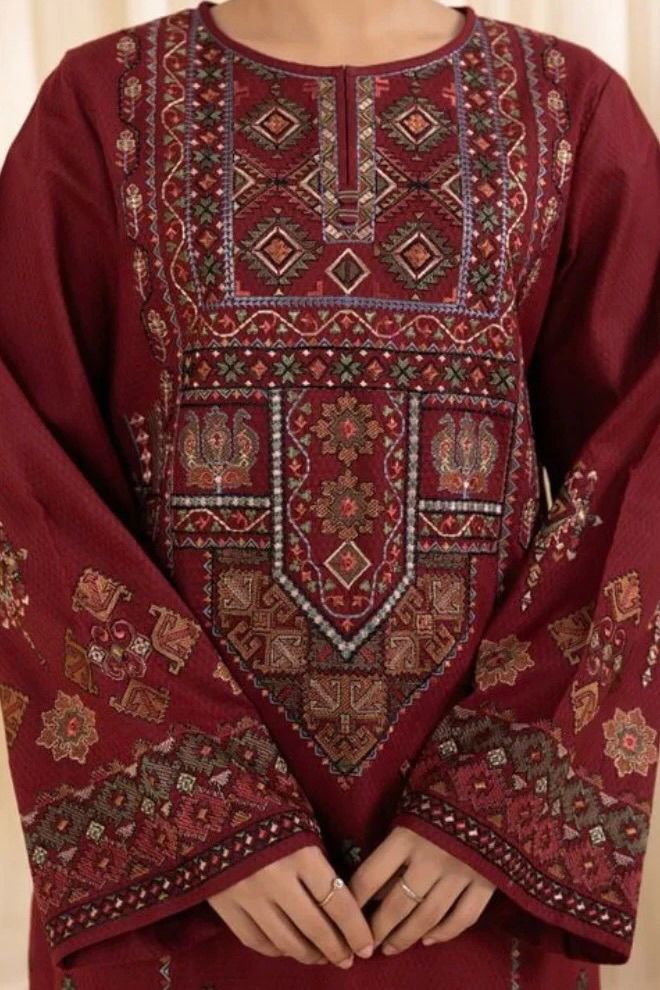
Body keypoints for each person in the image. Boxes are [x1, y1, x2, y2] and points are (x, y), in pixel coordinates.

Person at [0, 0, 658, 987]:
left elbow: (642, 473)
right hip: (182, 900)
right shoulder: (99, 107)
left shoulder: (570, 110)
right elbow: (23, 474)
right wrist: (202, 811)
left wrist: (502, 797)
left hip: (465, 886)